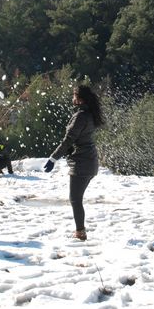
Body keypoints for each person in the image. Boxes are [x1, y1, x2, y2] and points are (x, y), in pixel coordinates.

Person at [43, 85, 105, 241]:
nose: (72, 98)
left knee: (75, 199)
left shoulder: (80, 117)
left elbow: (68, 140)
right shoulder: (89, 114)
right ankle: (80, 231)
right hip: (89, 161)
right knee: (76, 198)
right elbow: (78, 139)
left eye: (74, 96)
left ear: (80, 99)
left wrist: (53, 158)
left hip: (82, 164)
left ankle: (80, 233)